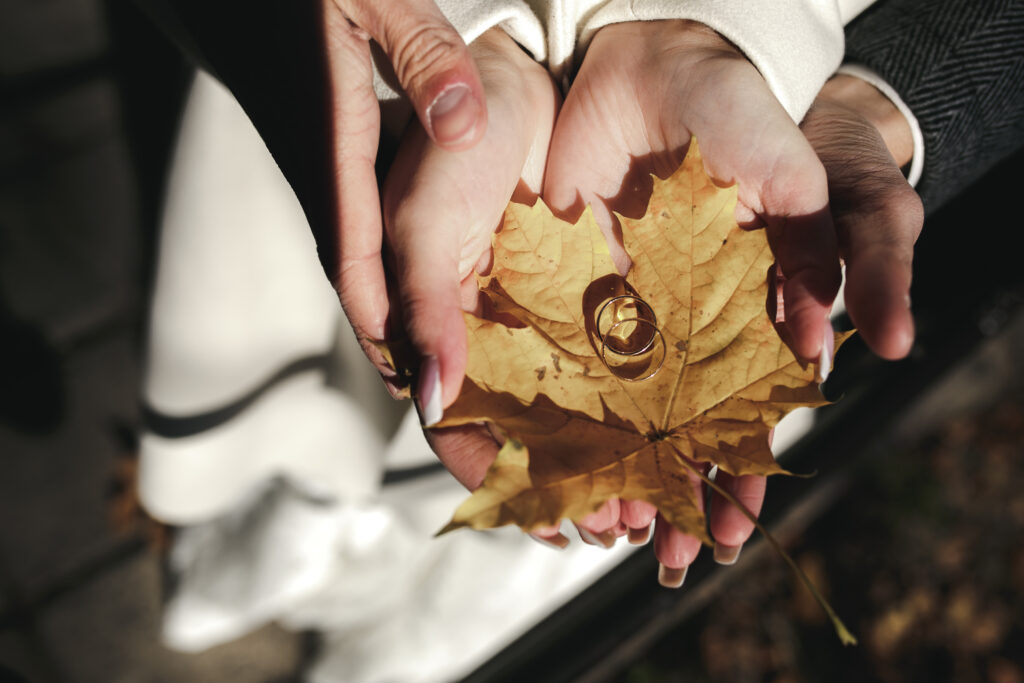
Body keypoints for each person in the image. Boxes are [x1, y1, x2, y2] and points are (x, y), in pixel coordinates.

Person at [134, 0, 1024, 587]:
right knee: (366, 301)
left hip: (776, 73)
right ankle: (298, 501)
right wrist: (463, 38)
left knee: (485, 431)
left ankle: (375, 562)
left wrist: (858, 97)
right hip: (405, 68)